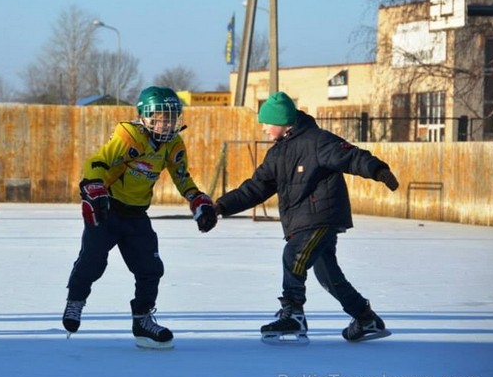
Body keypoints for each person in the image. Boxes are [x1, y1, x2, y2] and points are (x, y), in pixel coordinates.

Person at [213, 91, 399, 344]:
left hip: (322, 217)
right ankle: (366, 318)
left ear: (281, 122)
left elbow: (351, 155)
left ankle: (294, 313)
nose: (265, 129)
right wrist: (220, 207)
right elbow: (254, 189)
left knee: (294, 255)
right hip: (301, 221)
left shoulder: (317, 141)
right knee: (328, 276)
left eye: (267, 123)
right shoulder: (277, 154)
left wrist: (378, 170)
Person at [62, 86, 217, 349]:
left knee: (150, 268)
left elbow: (181, 176)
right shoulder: (130, 135)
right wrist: (93, 187)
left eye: (171, 117)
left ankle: (142, 321)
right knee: (92, 261)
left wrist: (196, 198)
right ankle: (75, 301)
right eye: (160, 116)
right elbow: (97, 160)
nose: (166, 123)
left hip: (136, 214)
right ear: (145, 116)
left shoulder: (173, 144)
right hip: (108, 209)